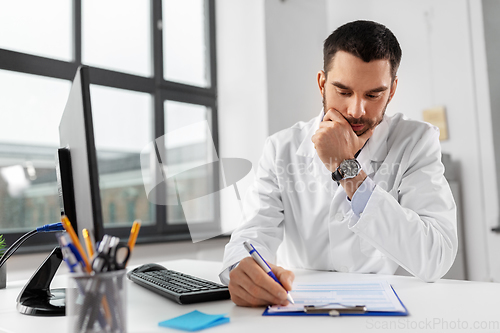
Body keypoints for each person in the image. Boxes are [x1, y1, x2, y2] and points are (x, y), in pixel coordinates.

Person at [220, 20, 457, 307]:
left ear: (392, 91)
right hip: (295, 303)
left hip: (376, 308)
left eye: (374, 94)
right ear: (322, 83)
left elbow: (436, 257)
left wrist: (346, 169)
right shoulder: (281, 148)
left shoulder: (416, 141)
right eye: (343, 92)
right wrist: (241, 269)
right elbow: (252, 232)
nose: (357, 110)